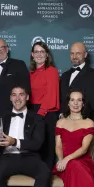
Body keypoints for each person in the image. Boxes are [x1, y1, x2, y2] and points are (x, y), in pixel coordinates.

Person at [29, 41, 60, 169]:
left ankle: (45, 182)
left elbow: (52, 95)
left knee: (46, 149)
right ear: (32, 54)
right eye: (36, 51)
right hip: (32, 111)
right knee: (33, 148)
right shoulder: (30, 73)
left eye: (42, 51)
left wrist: (40, 114)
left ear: (47, 55)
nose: (39, 54)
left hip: (46, 113)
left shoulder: (51, 71)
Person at [0, 38, 30, 119]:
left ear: (7, 49)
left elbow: (26, 89)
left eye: (1, 47)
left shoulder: (18, 65)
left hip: (13, 115)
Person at [59, 42, 94, 120]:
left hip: (84, 121)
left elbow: (93, 102)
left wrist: (76, 117)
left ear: (85, 55)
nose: (74, 56)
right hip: (65, 121)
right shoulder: (65, 75)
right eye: (72, 53)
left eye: (78, 53)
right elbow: (61, 98)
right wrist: (62, 114)